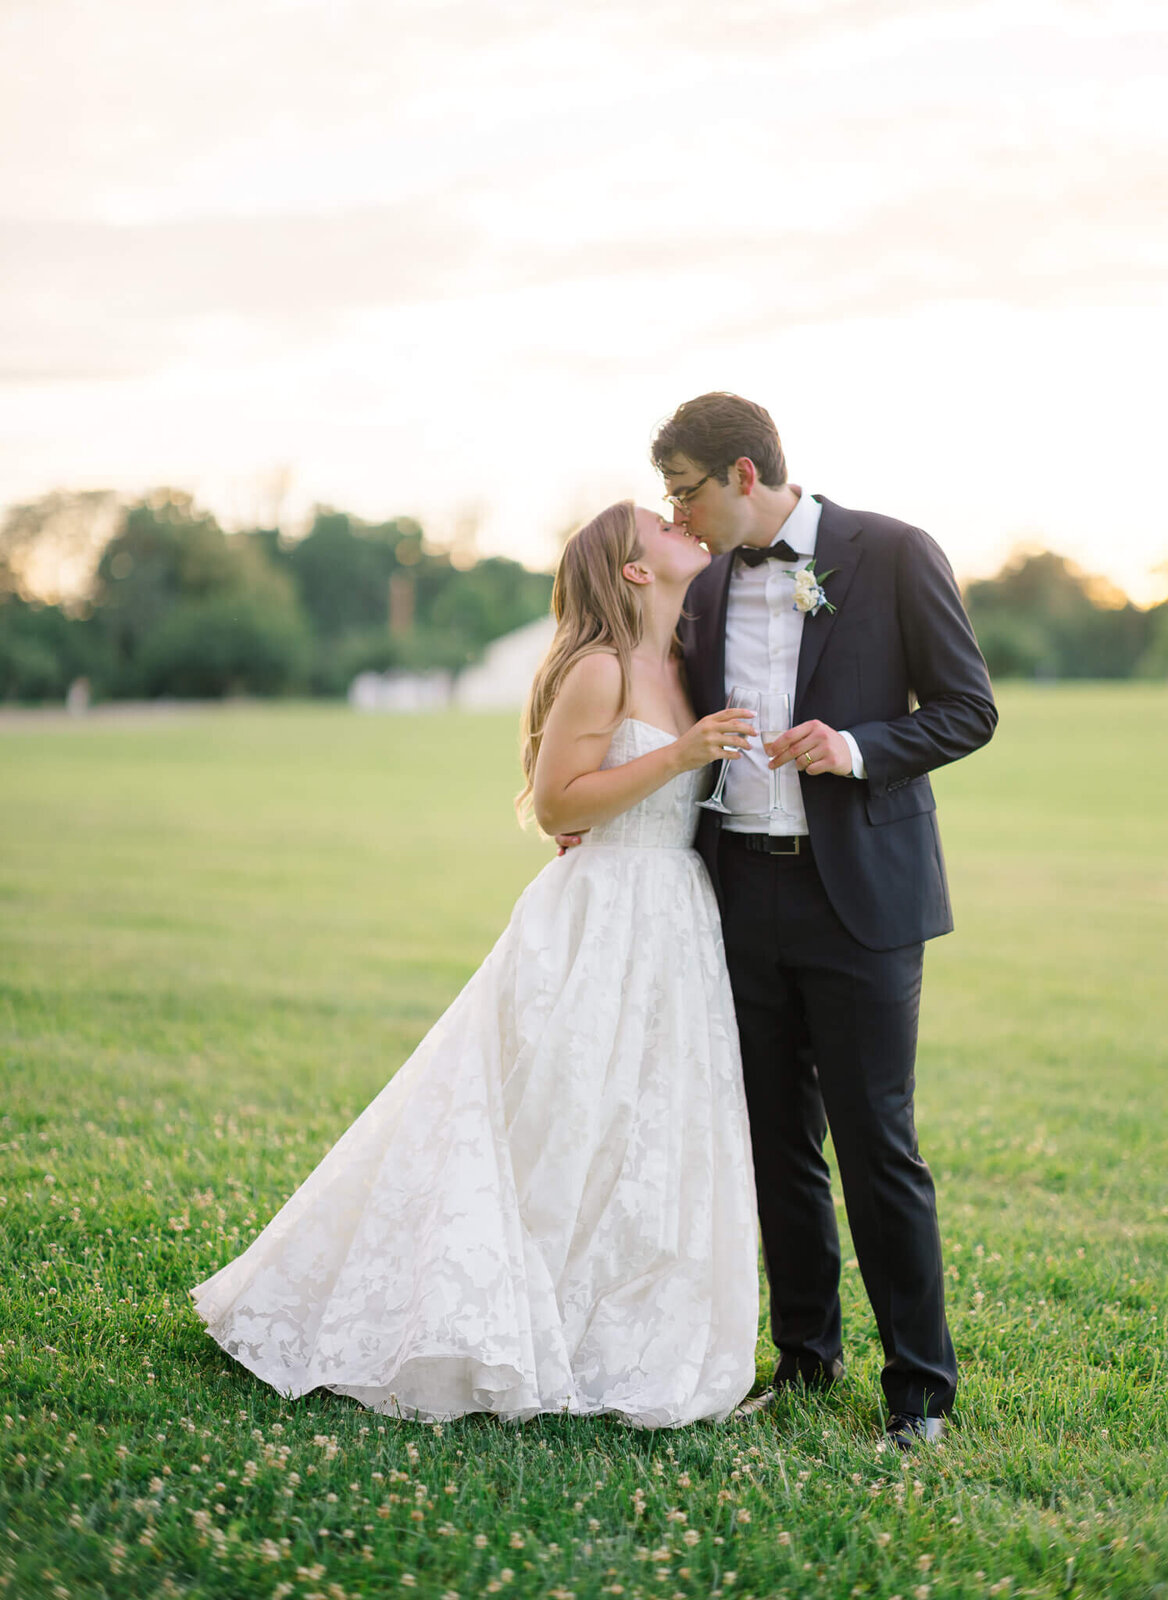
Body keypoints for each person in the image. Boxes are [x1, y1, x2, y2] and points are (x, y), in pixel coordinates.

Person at [191, 501, 761, 1427]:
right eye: (660, 523)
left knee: (641, 1127)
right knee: (557, 1113)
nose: (681, 525)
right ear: (631, 568)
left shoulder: (685, 662)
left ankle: (615, 1327)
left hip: (674, 918)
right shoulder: (600, 667)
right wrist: (682, 755)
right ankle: (497, 1315)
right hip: (598, 916)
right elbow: (553, 804)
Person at [561, 394, 997, 1448]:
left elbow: (968, 708)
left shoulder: (892, 553)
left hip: (860, 897)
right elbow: (622, 672)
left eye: (687, 492)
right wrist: (603, 796)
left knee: (875, 1141)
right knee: (771, 1141)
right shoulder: (698, 581)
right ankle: (807, 1361)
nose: (681, 515)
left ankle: (920, 1394)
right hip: (732, 894)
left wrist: (852, 747)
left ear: (744, 476)